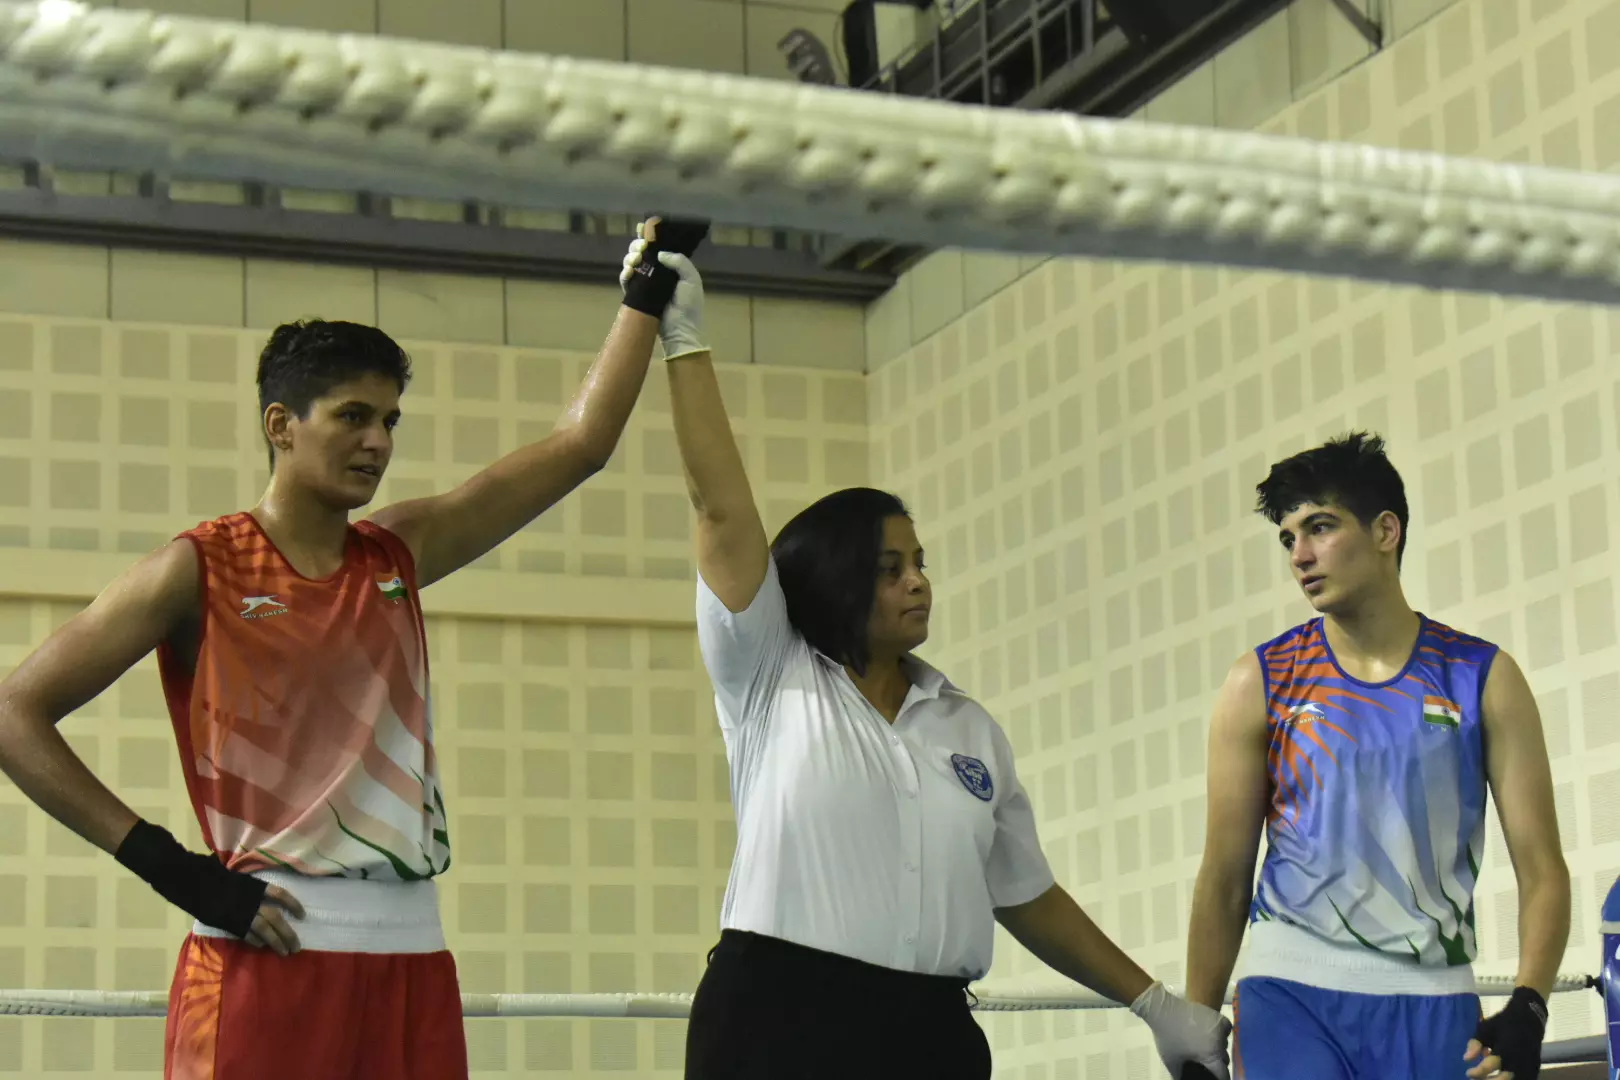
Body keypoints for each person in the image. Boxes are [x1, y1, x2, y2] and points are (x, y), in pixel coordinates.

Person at [0, 220, 704, 1080]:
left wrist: (644, 296)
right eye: (354, 416)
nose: (379, 441)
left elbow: (579, 447)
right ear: (281, 425)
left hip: (411, 961)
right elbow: (12, 713)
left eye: (391, 420)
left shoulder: (398, 554)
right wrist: (173, 869)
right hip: (263, 957)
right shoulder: (197, 568)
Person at [619, 228, 1232, 1080]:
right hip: (777, 1018)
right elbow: (720, 508)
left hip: (930, 1032)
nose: (919, 583)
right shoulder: (771, 672)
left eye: (921, 564)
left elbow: (1027, 895)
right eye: (890, 568)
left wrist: (1157, 1005)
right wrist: (681, 338)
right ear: (837, 579)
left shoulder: (968, 729)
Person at [1184, 432, 1571, 1080]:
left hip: (1437, 1003)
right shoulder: (1259, 683)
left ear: (1386, 530)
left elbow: (1543, 871)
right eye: (1287, 538)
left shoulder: (1483, 677)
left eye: (1320, 527)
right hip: (1291, 994)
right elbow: (1224, 877)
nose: (1300, 555)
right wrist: (1195, 1023)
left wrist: (1530, 1005)